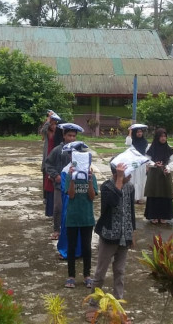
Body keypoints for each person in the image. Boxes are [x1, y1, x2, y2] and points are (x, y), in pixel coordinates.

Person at [87, 161, 135, 324]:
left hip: (124, 236)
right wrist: (120, 180)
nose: (129, 177)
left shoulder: (130, 187)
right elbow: (113, 201)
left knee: (120, 272)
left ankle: (118, 309)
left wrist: (132, 233)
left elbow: (131, 212)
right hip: (109, 236)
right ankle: (92, 306)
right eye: (126, 174)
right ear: (116, 174)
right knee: (100, 273)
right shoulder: (107, 186)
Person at [45, 123, 84, 240]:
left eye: (74, 136)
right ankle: (57, 230)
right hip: (59, 185)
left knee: (72, 208)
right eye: (69, 135)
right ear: (64, 135)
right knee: (58, 207)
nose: (71, 138)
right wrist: (55, 175)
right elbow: (48, 164)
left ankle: (72, 230)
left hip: (74, 185)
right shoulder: (57, 150)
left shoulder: (79, 151)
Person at [64, 157, 98, 289]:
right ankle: (71, 276)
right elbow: (71, 195)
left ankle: (87, 276)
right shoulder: (69, 176)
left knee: (86, 248)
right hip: (72, 218)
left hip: (87, 218)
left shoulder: (92, 176)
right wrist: (72, 179)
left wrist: (89, 179)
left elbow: (92, 196)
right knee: (71, 247)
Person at [144, 128, 173, 224]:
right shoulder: (151, 147)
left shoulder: (168, 148)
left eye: (165, 136)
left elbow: (172, 161)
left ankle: (164, 216)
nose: (163, 138)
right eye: (161, 136)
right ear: (157, 137)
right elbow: (147, 159)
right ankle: (153, 216)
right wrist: (154, 164)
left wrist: (168, 168)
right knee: (154, 194)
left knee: (165, 194)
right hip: (154, 174)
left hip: (165, 173)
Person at [41, 110, 63, 217]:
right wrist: (48, 120)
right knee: (48, 186)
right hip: (47, 162)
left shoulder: (59, 134)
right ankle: (49, 208)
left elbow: (63, 124)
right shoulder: (47, 133)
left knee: (56, 186)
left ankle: (56, 209)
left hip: (56, 161)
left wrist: (56, 117)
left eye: (55, 124)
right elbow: (44, 129)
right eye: (52, 125)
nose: (54, 126)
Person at [125, 124, 148, 204]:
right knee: (133, 179)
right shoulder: (132, 141)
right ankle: (133, 197)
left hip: (142, 163)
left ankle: (139, 198)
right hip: (133, 162)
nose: (139, 133)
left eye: (141, 132)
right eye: (137, 132)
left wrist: (147, 165)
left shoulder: (144, 142)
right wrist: (130, 132)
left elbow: (146, 154)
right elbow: (128, 142)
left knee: (141, 180)